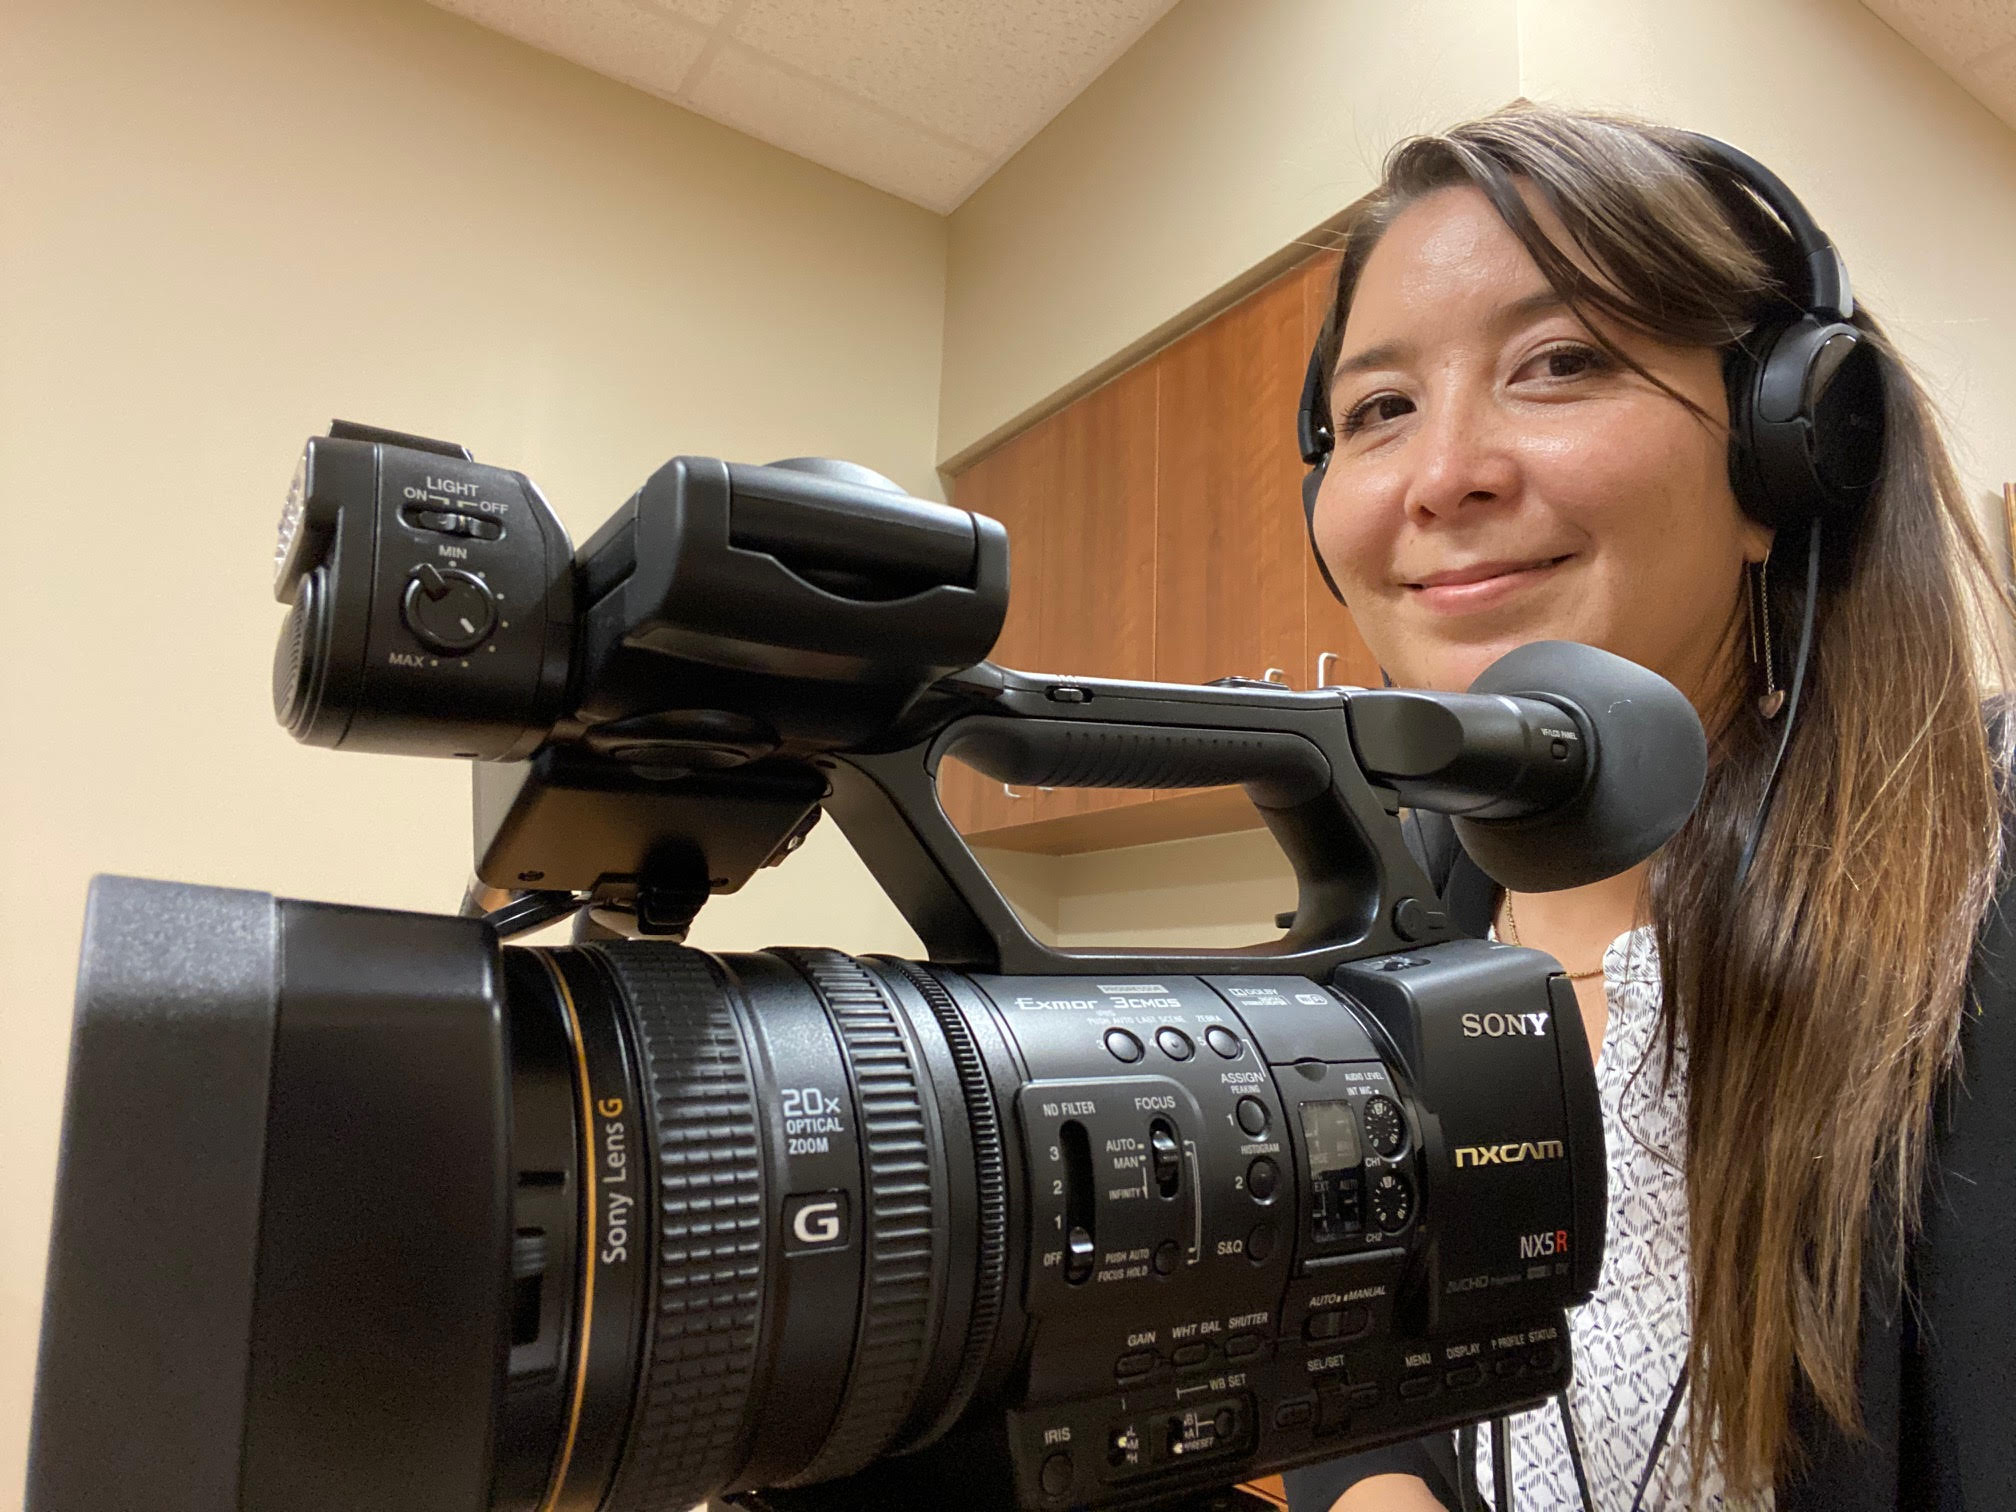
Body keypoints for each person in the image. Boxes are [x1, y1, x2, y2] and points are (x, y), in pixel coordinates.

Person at [1282, 103, 2016, 1510]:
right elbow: (1339, 1377)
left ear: (1785, 453)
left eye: (1559, 363)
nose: (1442, 478)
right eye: (1380, 409)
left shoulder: (1991, 857)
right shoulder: (1370, 950)